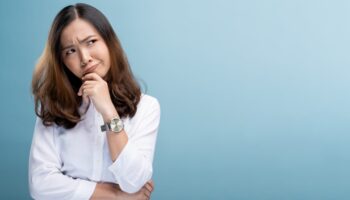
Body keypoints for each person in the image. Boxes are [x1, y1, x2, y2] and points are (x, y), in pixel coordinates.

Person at [28, 3, 160, 200]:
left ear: (109, 42)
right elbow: (40, 184)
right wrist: (115, 196)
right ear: (62, 61)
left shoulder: (146, 107)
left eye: (90, 42)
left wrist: (108, 111)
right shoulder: (54, 108)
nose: (85, 58)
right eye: (70, 51)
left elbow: (134, 182)